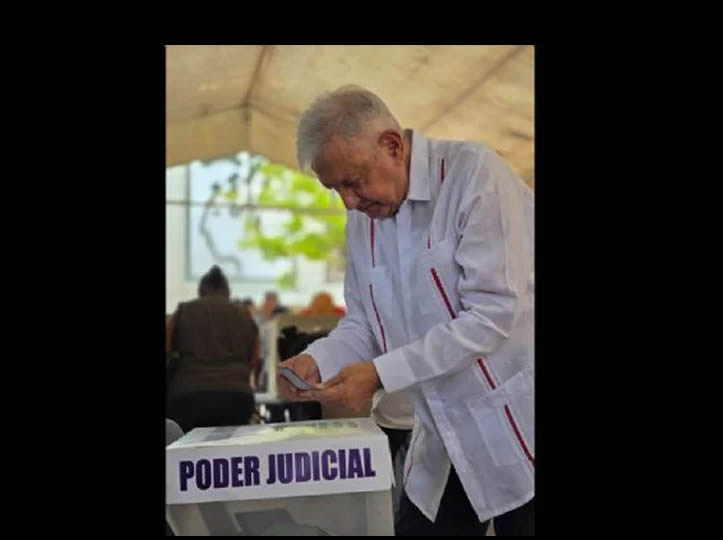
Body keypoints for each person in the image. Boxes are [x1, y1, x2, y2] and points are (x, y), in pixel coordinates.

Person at [277, 86, 534, 535]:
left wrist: (379, 374)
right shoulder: (364, 219)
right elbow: (364, 322)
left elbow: (491, 314)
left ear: (393, 146)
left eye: (353, 181)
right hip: (442, 432)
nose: (349, 202)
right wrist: (318, 360)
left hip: (516, 425)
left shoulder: (474, 176)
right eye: (336, 189)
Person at [166, 266, 259, 432]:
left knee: (189, 446)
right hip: (236, 397)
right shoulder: (244, 314)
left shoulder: (183, 310)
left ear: (201, 290)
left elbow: (167, 349)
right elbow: (255, 359)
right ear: (227, 291)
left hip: (188, 395)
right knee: (231, 446)